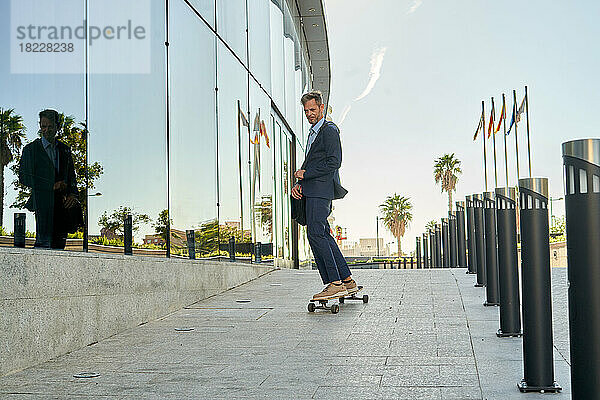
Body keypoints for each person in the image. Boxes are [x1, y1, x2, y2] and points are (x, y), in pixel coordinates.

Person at [291, 90, 357, 301]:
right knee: (323, 234)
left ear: (321, 108)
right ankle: (347, 281)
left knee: (315, 234)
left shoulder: (329, 130)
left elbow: (334, 162)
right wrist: (300, 183)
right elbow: (312, 162)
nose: (309, 113)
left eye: (312, 109)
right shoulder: (314, 132)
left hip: (321, 191)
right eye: (306, 111)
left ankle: (334, 284)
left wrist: (307, 174)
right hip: (312, 189)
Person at [19, 109, 79, 249]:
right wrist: (50, 186)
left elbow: (72, 177)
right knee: (43, 246)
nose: (46, 130)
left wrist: (73, 195)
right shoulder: (31, 149)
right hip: (42, 205)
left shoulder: (65, 150)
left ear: (58, 127)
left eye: (50, 126)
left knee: (59, 248)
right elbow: (24, 177)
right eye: (43, 126)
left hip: (62, 207)